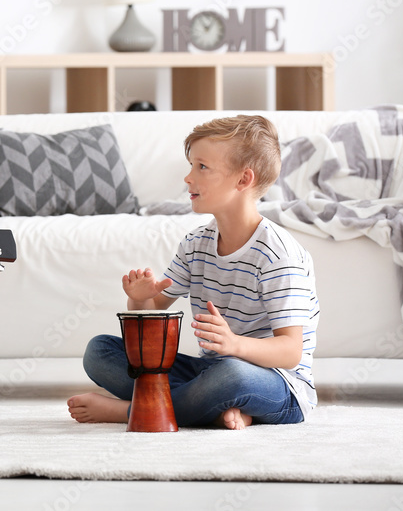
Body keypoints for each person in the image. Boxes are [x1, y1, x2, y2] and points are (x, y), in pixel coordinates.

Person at [67, 115, 318, 430]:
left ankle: (131, 411)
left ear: (243, 180)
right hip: (211, 373)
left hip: (279, 384)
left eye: (202, 167)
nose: (188, 178)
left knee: (233, 376)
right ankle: (213, 409)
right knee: (100, 352)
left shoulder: (278, 254)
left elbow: (290, 352)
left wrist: (234, 344)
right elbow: (151, 318)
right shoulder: (196, 244)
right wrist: (141, 301)